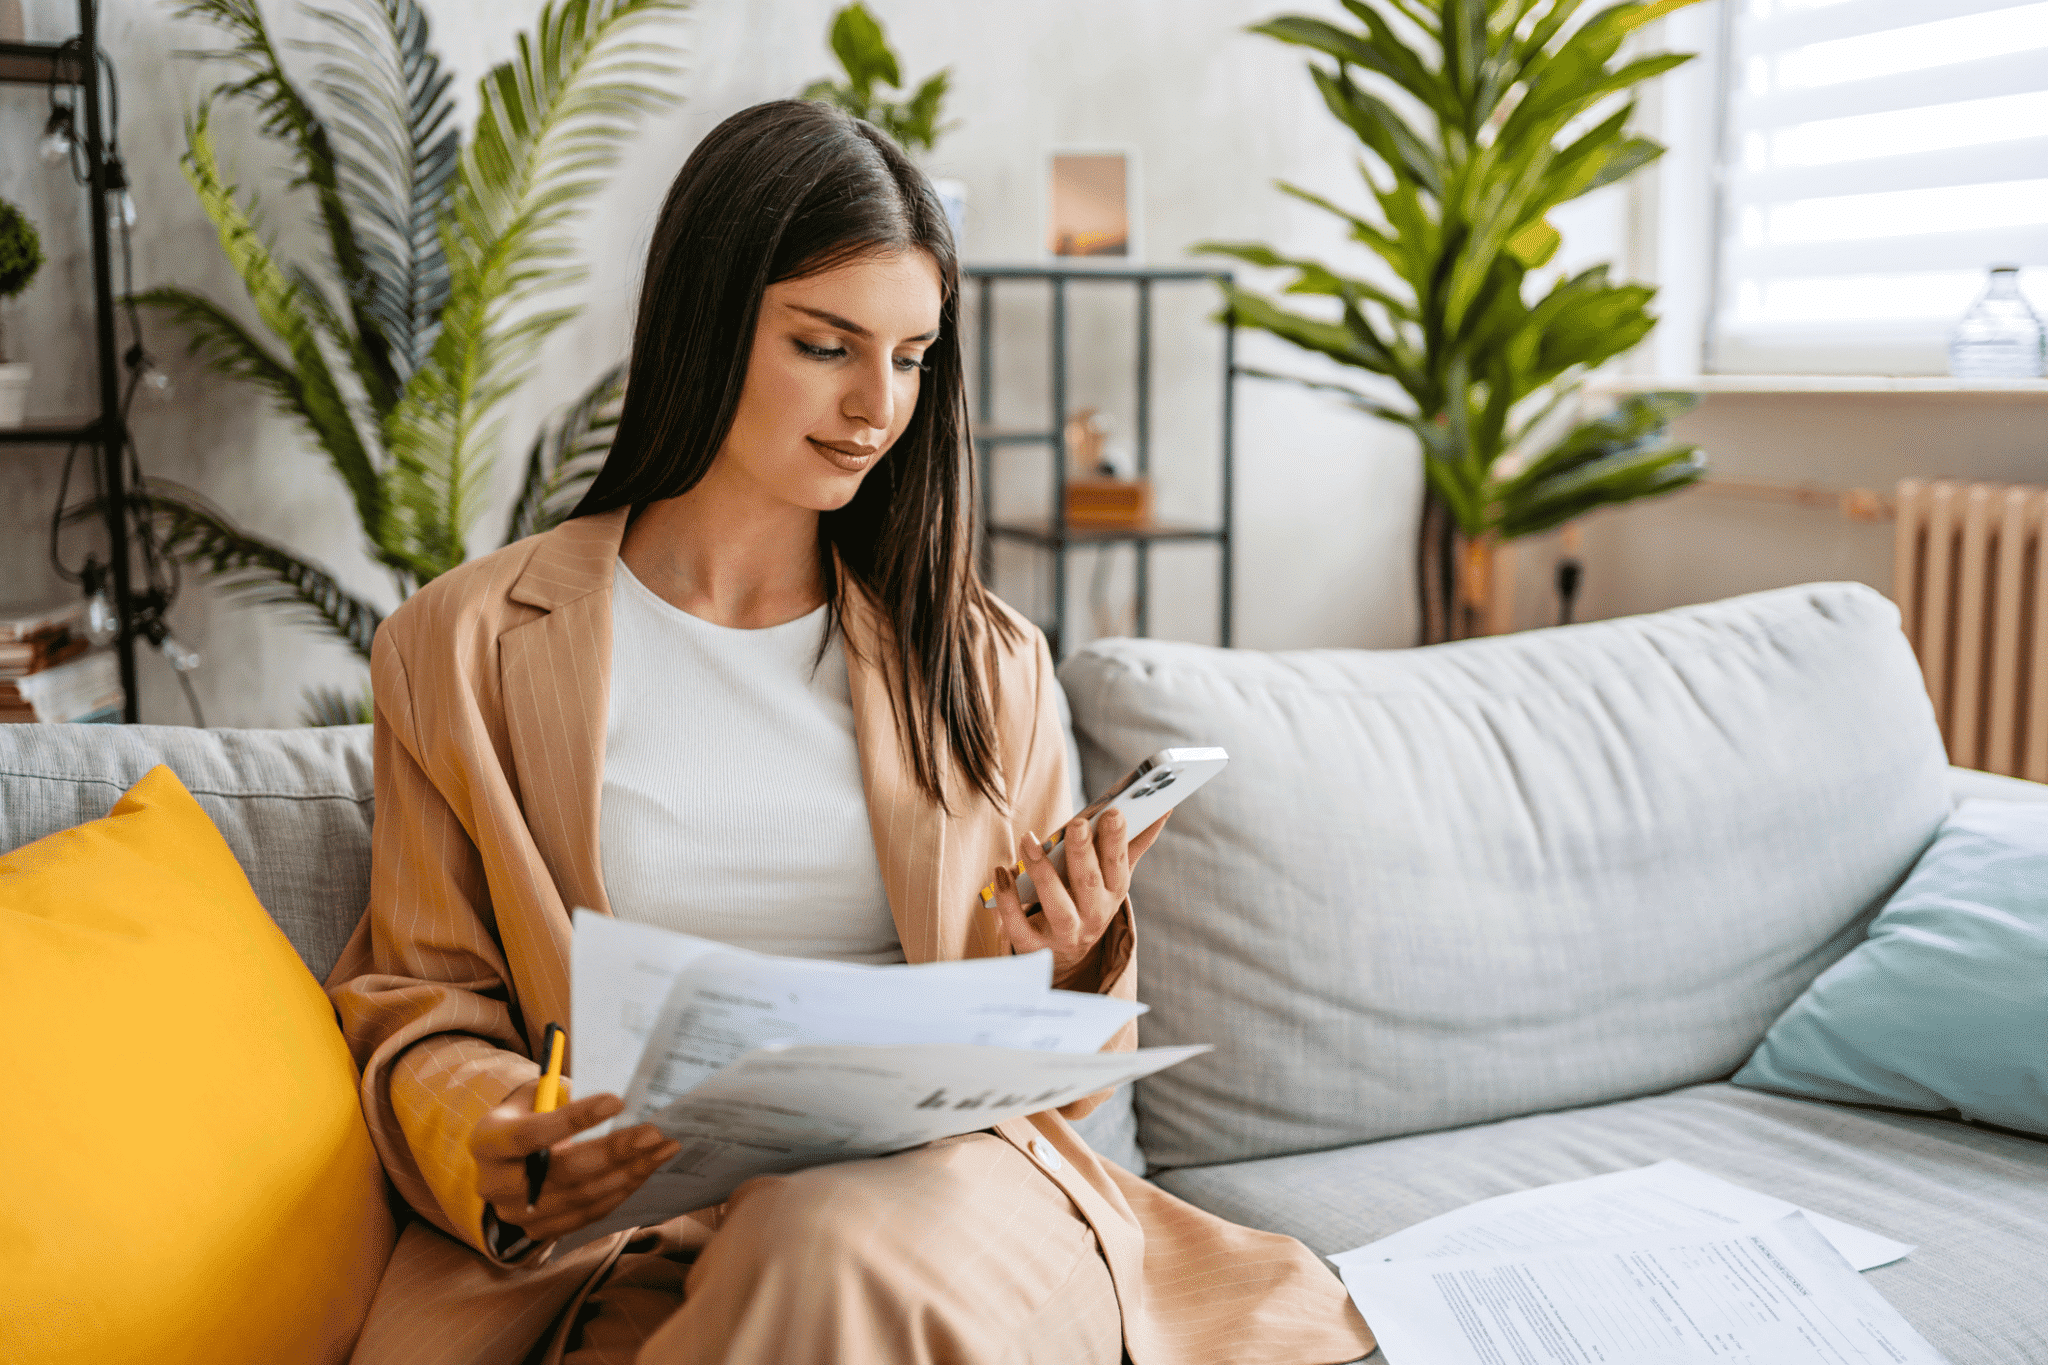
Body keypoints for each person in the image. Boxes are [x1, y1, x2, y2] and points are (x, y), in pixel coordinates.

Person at [327, 98, 1374, 1365]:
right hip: (628, 1241)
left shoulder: (984, 660)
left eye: (913, 355)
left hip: (945, 1202)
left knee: (818, 1244)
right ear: (708, 324)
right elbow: (422, 1000)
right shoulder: (461, 644)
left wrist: (1065, 957)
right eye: (826, 345)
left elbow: (1068, 1070)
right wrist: (504, 1134)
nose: (879, 406)